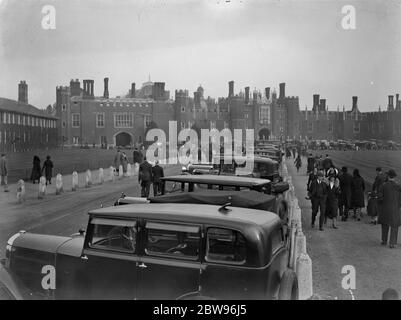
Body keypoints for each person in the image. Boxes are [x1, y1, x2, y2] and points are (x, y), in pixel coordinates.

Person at [377, 169, 401, 249]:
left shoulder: (383, 185)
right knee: (394, 226)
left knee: (385, 224)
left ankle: (384, 240)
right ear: (394, 177)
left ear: (388, 176)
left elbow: (380, 198)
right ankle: (392, 243)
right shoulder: (398, 186)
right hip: (395, 208)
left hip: (385, 208)